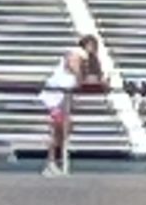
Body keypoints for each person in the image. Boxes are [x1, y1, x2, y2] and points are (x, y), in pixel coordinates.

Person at [40, 33, 103, 173]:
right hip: (55, 98)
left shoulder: (87, 59)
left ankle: (56, 160)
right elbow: (76, 72)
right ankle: (52, 162)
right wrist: (83, 77)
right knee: (58, 129)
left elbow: (89, 78)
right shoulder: (76, 54)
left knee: (64, 129)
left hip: (63, 98)